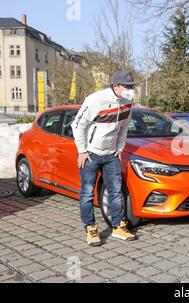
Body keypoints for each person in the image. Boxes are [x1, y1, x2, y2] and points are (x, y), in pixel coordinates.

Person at [71, 71, 138, 246]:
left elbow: (124, 127)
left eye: (132, 86)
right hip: (91, 155)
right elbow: (77, 125)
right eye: (128, 86)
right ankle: (91, 229)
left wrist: (120, 147)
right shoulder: (95, 100)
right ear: (115, 86)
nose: (131, 89)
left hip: (111, 155)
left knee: (115, 192)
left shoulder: (128, 101)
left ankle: (117, 227)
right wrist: (82, 150)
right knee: (86, 193)